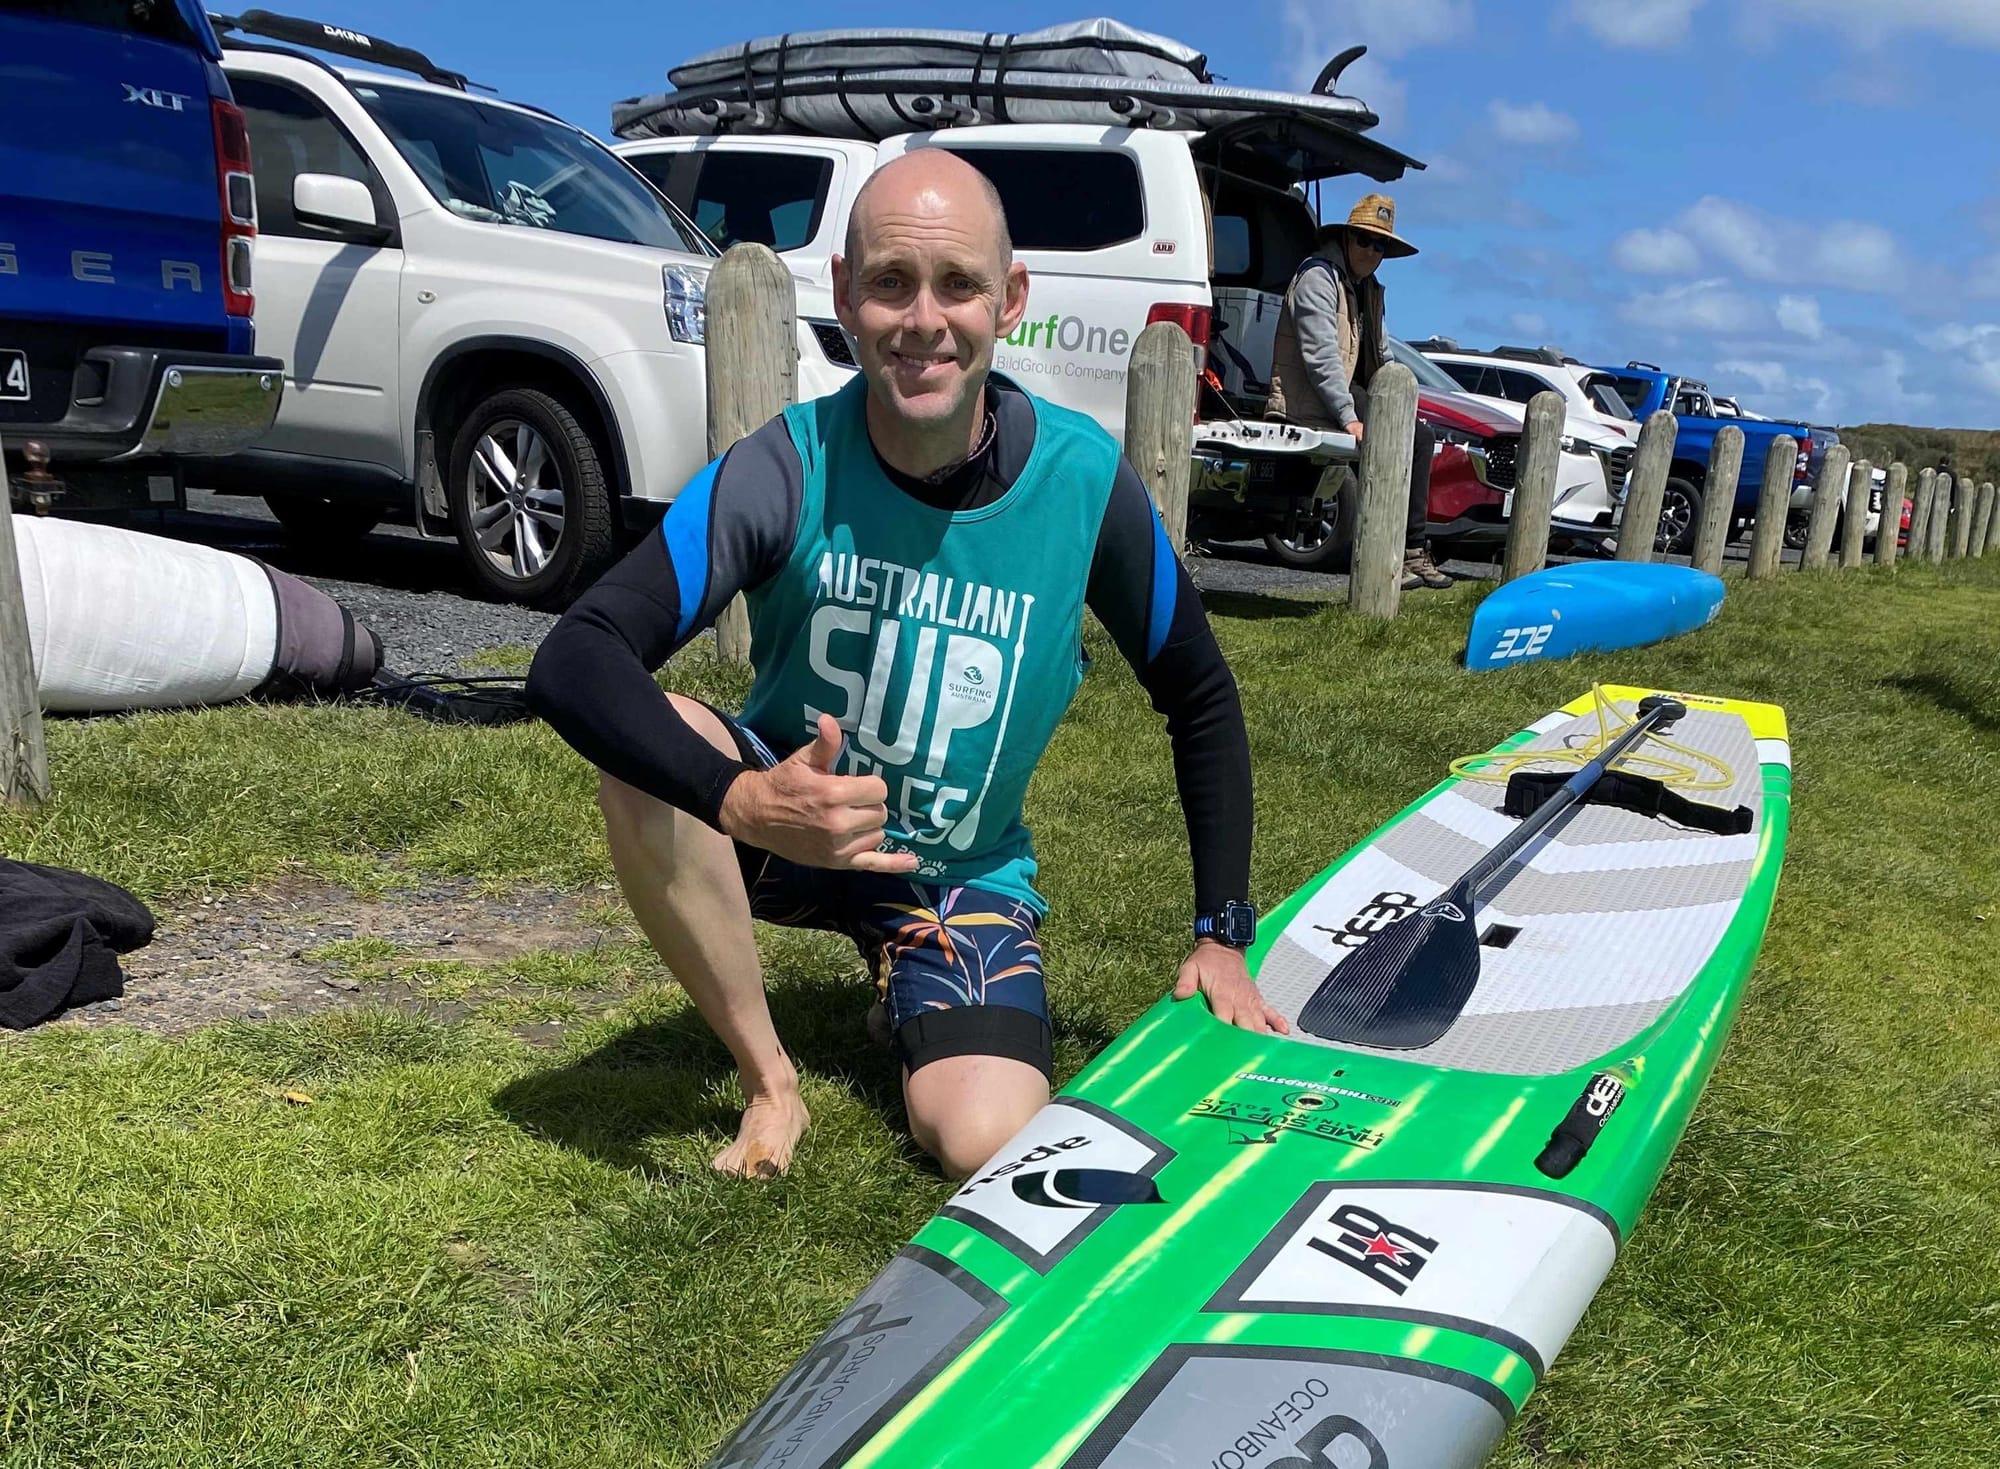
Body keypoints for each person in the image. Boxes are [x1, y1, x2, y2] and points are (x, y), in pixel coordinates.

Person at [527, 149, 1284, 1183]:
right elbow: (576, 656)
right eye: (888, 282)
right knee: (652, 751)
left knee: (984, 1135)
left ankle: (906, 971)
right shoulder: (785, 462)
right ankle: (769, 1078)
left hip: (953, 869)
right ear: (842, 292)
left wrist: (1222, 932)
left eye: (957, 285)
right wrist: (737, 793)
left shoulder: (1082, 483)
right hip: (790, 819)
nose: (922, 319)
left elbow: (1196, 692)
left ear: (1008, 300)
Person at [1265, 193, 1451, 591]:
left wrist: (1393, 406)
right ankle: (1392, 554)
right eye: (1364, 240)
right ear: (1346, 238)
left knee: (1420, 435)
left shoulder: (1370, 290)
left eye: (1380, 244)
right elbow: (1321, 357)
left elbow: (1380, 358)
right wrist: (1350, 417)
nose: (1371, 250)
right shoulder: (1319, 276)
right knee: (1395, 438)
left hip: (1354, 394)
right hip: (1312, 400)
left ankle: (1412, 549)